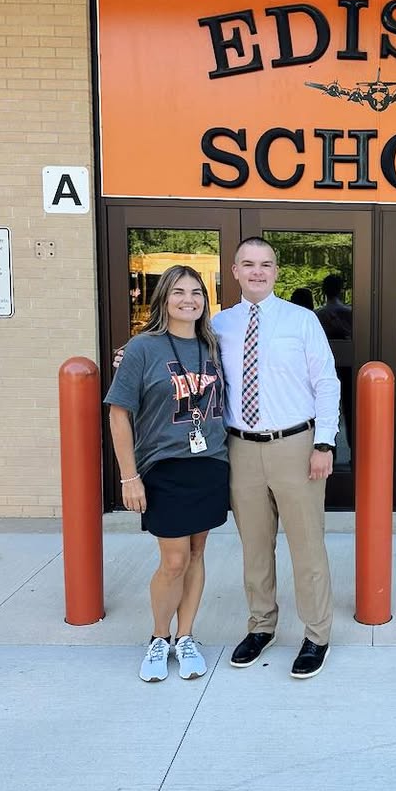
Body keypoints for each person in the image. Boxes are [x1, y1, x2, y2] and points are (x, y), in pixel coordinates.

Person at [213, 237, 341, 679]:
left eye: (265, 264)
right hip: (241, 448)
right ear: (235, 271)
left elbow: (326, 382)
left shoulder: (301, 320)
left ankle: (317, 634)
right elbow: (184, 358)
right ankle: (261, 626)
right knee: (254, 547)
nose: (257, 272)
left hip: (296, 446)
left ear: (276, 271)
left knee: (307, 547)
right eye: (248, 264)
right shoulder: (219, 325)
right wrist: (133, 354)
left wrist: (324, 443)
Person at [104, 265, 228, 684]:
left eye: (196, 292)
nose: (188, 299)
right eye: (178, 292)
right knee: (173, 561)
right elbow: (119, 414)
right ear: (163, 299)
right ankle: (159, 637)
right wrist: (129, 476)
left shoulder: (213, 346)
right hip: (163, 467)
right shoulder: (142, 348)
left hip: (210, 464)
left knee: (196, 554)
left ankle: (186, 636)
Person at [315, 273, 354, 453]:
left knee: (326, 409)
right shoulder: (349, 313)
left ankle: (329, 449)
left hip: (325, 367)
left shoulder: (318, 315)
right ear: (341, 290)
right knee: (350, 410)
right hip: (348, 368)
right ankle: (355, 450)